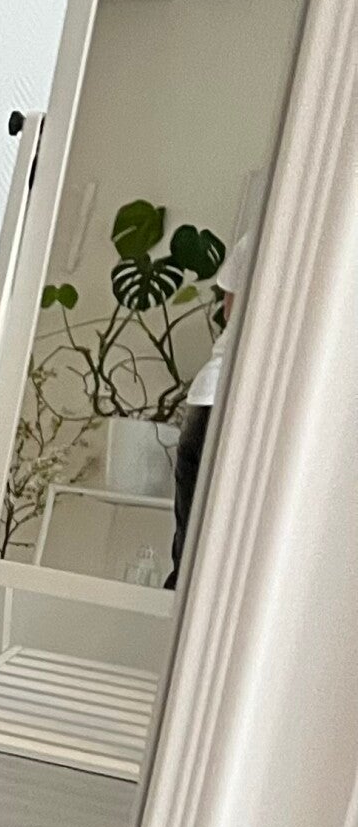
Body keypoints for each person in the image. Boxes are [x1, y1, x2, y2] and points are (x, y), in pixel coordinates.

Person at [167, 229, 253, 590]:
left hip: (213, 397)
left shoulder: (267, 228)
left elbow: (231, 305)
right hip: (233, 401)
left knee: (190, 553)